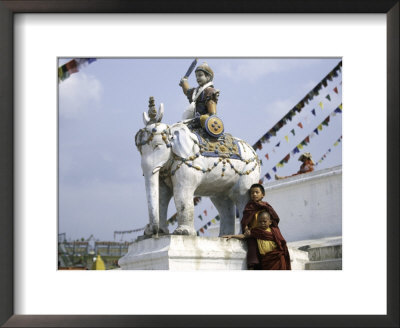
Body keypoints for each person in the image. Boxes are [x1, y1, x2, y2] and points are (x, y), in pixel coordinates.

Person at [223, 210, 291, 270]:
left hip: (277, 258)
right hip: (266, 260)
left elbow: (282, 243)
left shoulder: (275, 231)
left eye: (264, 221)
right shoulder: (256, 231)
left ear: (270, 222)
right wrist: (232, 236)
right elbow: (244, 236)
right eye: (260, 222)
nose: (262, 223)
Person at [179, 62, 220, 129]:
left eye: (200, 75)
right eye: (196, 76)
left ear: (208, 77)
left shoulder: (210, 91)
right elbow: (187, 91)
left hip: (204, 122)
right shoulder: (196, 91)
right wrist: (184, 82)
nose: (197, 78)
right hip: (193, 121)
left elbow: (213, 114)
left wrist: (201, 118)